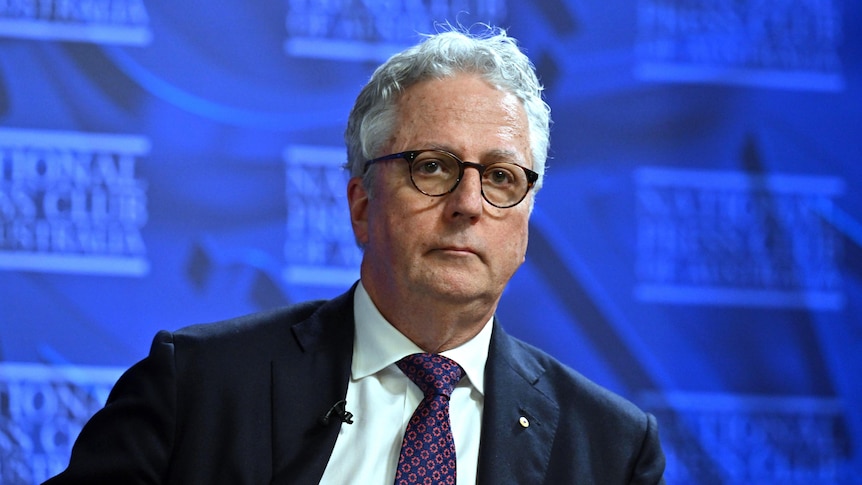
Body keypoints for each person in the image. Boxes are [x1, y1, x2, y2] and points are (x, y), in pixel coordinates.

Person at [46, 26, 666, 484]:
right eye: (433, 167)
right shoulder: (199, 387)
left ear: (526, 216)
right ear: (362, 204)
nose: (468, 204)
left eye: (502, 177)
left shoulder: (610, 447)